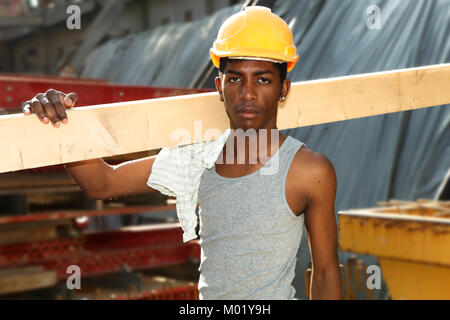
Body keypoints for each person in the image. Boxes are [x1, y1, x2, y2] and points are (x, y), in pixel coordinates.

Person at [23, 6, 342, 300]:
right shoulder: (197, 160)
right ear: (219, 87)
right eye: (235, 78)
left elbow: (326, 272)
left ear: (283, 89)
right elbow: (101, 183)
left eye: (263, 79)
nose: (247, 93)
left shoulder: (310, 172)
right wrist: (60, 123)